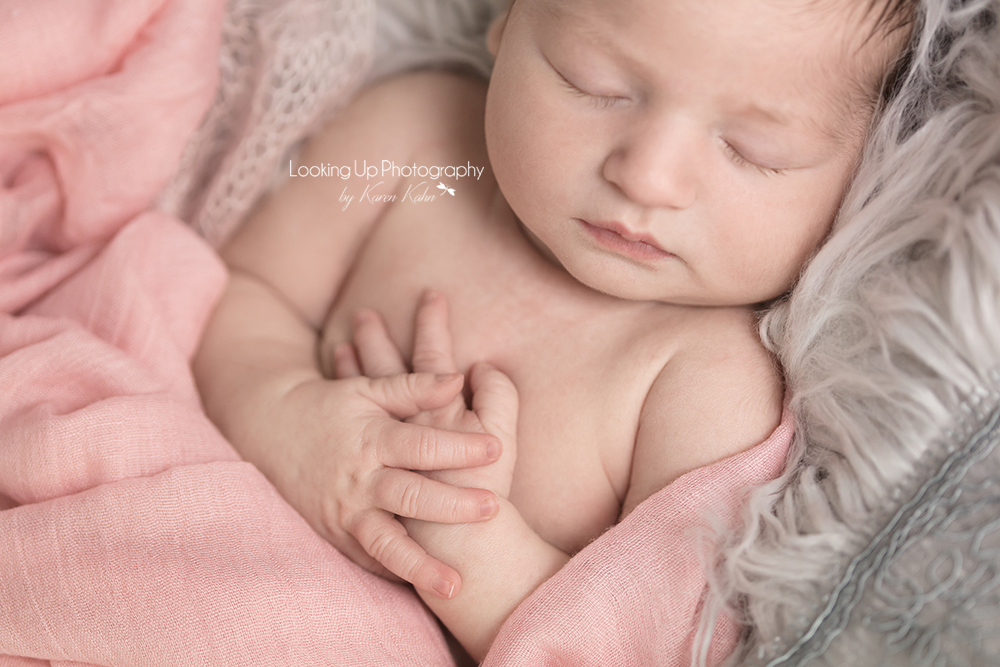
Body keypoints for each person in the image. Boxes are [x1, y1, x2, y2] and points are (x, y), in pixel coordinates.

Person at [193, 0, 917, 659]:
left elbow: (642, 646)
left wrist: (470, 548)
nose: (648, 178)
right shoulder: (414, 145)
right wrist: (284, 418)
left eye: (754, 150)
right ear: (508, 21)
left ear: (859, 174)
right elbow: (231, 291)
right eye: (595, 83)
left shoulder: (705, 382)